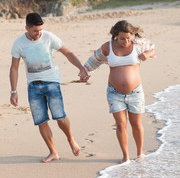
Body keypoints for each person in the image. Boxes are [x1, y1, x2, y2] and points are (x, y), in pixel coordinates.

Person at [10, 12, 86, 163]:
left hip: (52, 82)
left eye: (40, 30)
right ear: (27, 28)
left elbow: (67, 53)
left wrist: (82, 68)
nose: (39, 34)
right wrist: (13, 91)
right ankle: (53, 152)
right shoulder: (18, 43)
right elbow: (14, 68)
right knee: (41, 121)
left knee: (60, 116)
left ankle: (70, 139)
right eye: (35, 31)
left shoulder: (49, 37)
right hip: (33, 87)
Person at [79, 20, 156, 163]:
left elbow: (152, 49)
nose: (126, 41)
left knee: (136, 123)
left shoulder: (138, 44)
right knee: (121, 124)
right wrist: (85, 71)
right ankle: (125, 156)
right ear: (115, 35)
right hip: (115, 93)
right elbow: (94, 60)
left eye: (128, 38)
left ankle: (140, 154)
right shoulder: (107, 47)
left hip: (136, 92)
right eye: (122, 38)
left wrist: (148, 55)